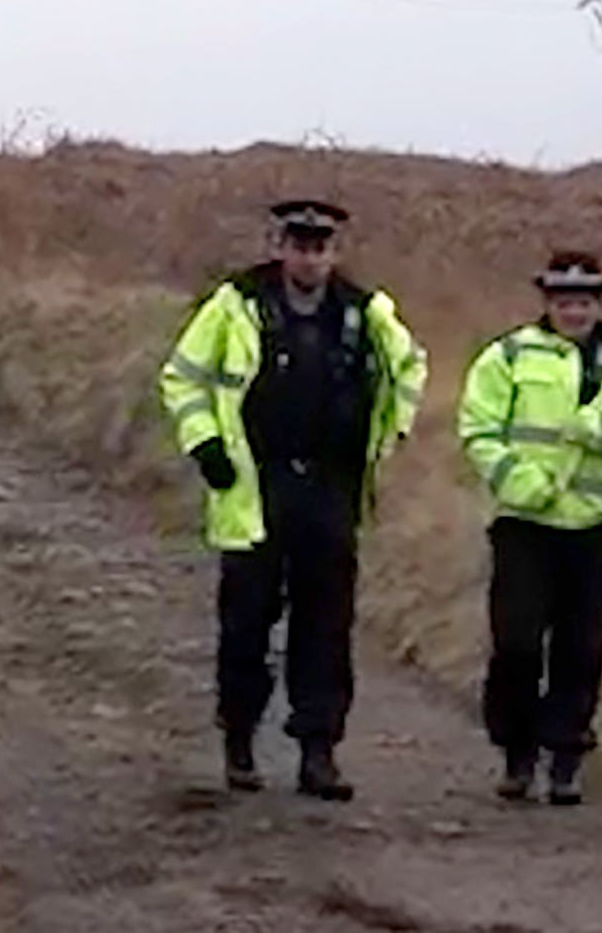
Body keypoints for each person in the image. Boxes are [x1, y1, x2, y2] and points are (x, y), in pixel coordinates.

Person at [155, 197, 428, 801]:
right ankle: (240, 740)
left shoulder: (365, 311)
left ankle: (319, 750)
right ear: (279, 246)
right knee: (247, 621)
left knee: (327, 626)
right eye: (299, 244)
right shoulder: (236, 303)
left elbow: (410, 368)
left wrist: (389, 433)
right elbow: (184, 376)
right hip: (256, 485)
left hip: (332, 486)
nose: (309, 257)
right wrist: (206, 446)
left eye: (320, 246)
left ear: (335, 251)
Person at [456, 247, 602, 805]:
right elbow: (478, 428)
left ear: (598, 303)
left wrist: (601, 425)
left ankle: (566, 757)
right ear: (547, 302)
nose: (573, 312)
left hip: (597, 524)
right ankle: (516, 751)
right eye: (563, 301)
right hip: (524, 522)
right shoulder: (508, 355)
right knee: (517, 643)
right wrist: (516, 481)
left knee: (581, 649)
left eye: (582, 302)